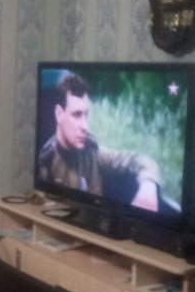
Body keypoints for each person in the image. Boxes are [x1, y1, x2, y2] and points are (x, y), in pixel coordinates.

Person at [38, 72, 162, 212]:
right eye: (77, 115)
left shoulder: (92, 153)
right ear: (59, 114)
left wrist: (149, 185)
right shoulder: (45, 163)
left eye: (86, 115)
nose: (85, 126)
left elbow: (139, 160)